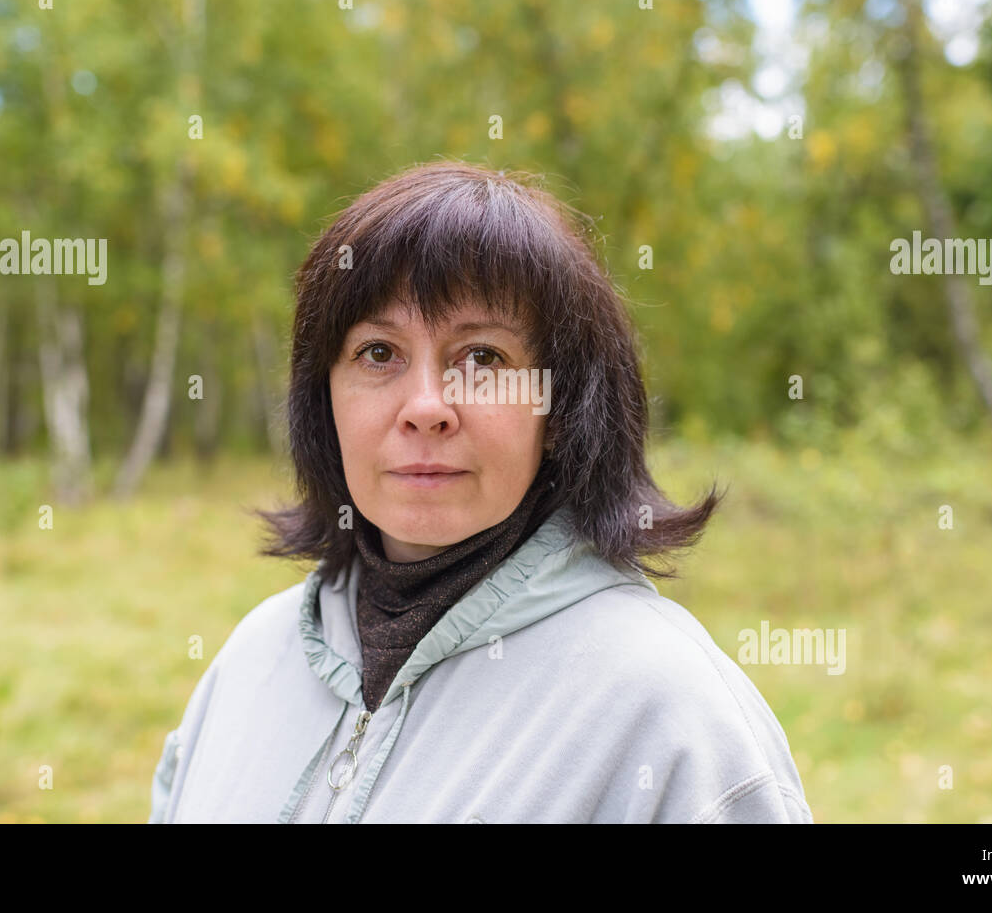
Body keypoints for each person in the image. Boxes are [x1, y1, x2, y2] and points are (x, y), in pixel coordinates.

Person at [148, 160, 813, 823]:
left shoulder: (669, 714)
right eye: (379, 353)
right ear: (325, 398)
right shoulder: (252, 659)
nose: (427, 407)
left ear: (560, 410)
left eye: (483, 358)